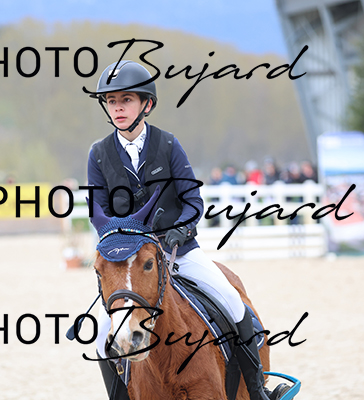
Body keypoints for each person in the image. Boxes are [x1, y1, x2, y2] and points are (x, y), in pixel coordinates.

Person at [86, 60, 289, 400]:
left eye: (126, 100)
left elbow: (193, 200)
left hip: (178, 250)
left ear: (146, 104)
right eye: (111, 101)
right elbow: (100, 213)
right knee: (100, 335)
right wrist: (116, 246)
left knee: (234, 303)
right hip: (129, 261)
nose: (118, 107)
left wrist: (182, 229)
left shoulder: (167, 145)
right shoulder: (99, 154)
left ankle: (257, 391)